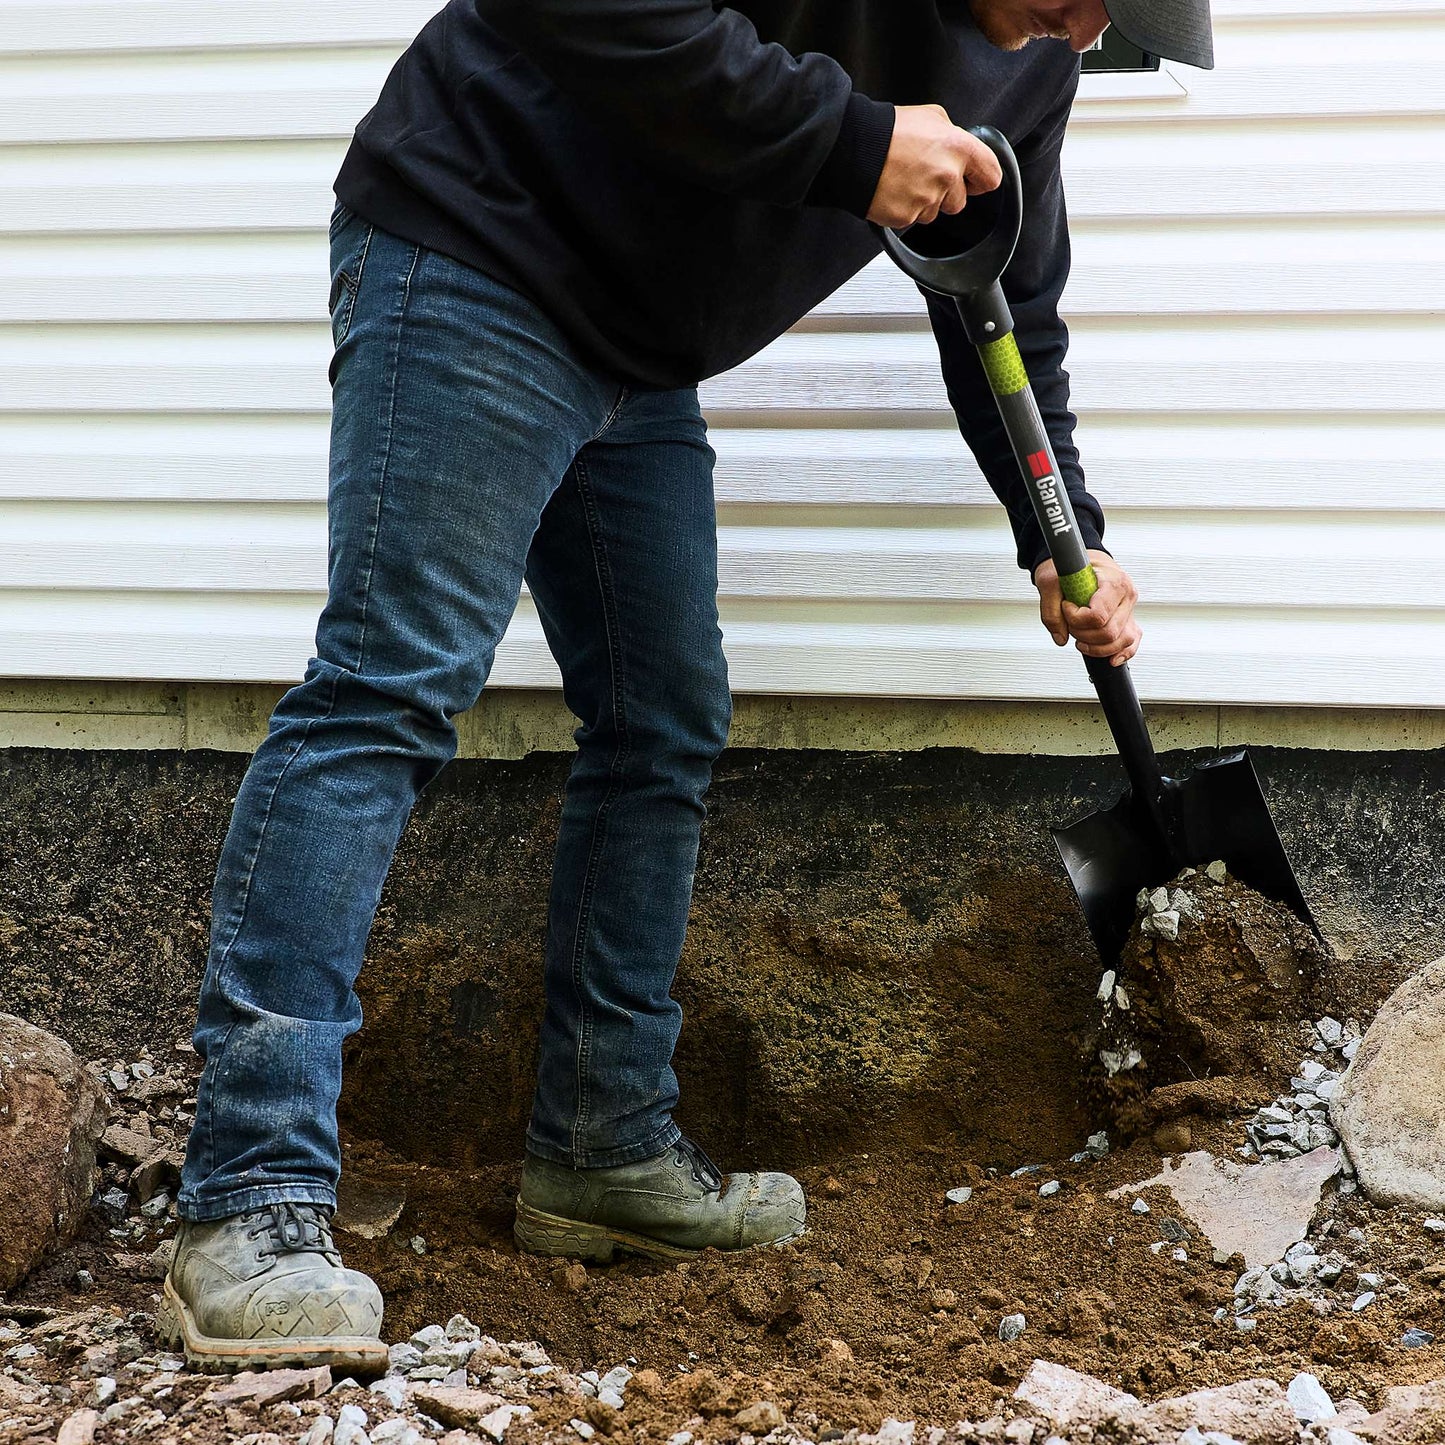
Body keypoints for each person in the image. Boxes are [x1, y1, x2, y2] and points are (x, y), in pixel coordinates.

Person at [160, 0, 1213, 1372]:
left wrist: (1061, 531)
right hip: (477, 244)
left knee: (662, 722)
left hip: (631, 350)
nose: (1083, 35)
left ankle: (603, 1148)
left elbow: (1004, 306)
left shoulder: (1028, 66)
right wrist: (853, 139)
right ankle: (246, 1198)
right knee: (388, 691)